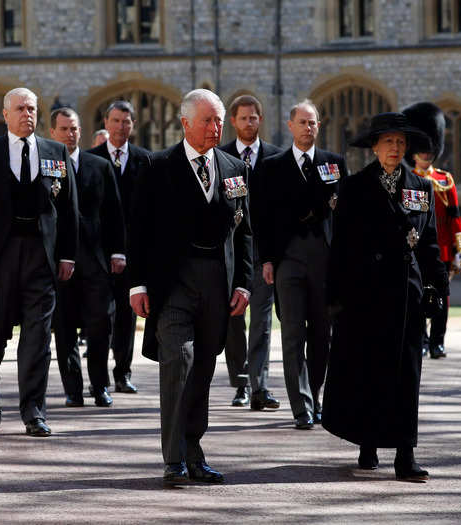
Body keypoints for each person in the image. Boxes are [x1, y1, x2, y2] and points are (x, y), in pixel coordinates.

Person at [130, 88, 252, 486]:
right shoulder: (158, 165)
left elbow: (245, 231)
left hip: (217, 283)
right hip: (173, 283)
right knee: (177, 364)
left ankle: (194, 449)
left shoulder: (234, 167)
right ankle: (174, 458)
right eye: (207, 120)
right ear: (185, 123)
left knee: (202, 369)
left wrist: (245, 284)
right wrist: (137, 284)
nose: (216, 128)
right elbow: (140, 229)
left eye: (219, 120)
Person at [322, 112, 449, 482]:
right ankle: (368, 441)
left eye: (400, 142)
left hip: (406, 294)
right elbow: (341, 248)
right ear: (375, 147)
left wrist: (437, 285)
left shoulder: (420, 189)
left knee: (407, 373)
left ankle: (406, 453)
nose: (395, 148)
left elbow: (428, 243)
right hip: (366, 295)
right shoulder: (355, 187)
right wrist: (335, 299)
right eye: (388, 142)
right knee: (368, 370)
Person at [0, 87, 78, 437]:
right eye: (21, 109)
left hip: (41, 257)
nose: (28, 114)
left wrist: (67, 254)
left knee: (38, 338)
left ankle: (33, 411)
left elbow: (69, 210)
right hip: (1, 255)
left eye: (32, 108)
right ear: (6, 113)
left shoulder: (55, 152)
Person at [258, 100, 347, 429]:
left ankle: (316, 394)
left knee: (322, 333)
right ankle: (301, 406)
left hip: (324, 260)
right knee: (293, 332)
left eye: (314, 123)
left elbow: (344, 216)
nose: (309, 128)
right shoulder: (272, 166)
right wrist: (266, 259)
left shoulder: (334, 165)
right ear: (290, 125)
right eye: (303, 122)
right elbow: (262, 217)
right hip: (288, 259)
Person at [49, 108, 125, 408]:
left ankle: (100, 385)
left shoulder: (99, 165)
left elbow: (114, 212)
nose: (70, 134)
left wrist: (118, 251)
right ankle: (73, 389)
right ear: (53, 132)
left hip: (95, 260)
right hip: (59, 261)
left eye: (74, 129)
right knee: (65, 327)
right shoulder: (46, 165)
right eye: (64, 129)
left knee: (100, 325)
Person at [219, 95, 281, 409]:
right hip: (231, 255)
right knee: (234, 320)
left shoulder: (274, 158)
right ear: (234, 121)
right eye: (243, 118)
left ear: (260, 119)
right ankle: (240, 383)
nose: (248, 123)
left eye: (253, 118)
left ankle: (260, 386)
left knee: (262, 322)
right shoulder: (221, 156)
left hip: (264, 254)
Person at [88, 101, 150, 395]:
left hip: (134, 252)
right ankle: (98, 379)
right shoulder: (91, 159)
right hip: (99, 255)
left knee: (127, 317)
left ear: (133, 126)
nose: (120, 126)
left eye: (126, 121)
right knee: (100, 317)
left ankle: (123, 373)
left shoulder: (145, 160)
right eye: (115, 121)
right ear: (106, 122)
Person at [403, 102, 461, 359]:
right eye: (421, 150)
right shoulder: (408, 180)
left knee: (443, 298)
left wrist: (459, 250)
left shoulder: (445, 180)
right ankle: (423, 340)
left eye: (429, 150)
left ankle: (438, 341)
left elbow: (455, 217)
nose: (426, 154)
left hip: (443, 249)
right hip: (418, 248)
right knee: (418, 296)